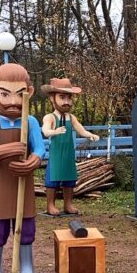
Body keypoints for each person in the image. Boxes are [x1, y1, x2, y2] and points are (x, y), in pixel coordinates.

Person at [0, 63, 45, 273]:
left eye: (20, 94)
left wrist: (33, 161)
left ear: (30, 92)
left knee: (25, 228)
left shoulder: (31, 122)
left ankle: (26, 268)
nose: (14, 102)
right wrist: (8, 150)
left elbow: (40, 149)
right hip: (0, 186)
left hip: (23, 186)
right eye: (6, 94)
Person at [40, 77, 100, 216]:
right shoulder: (50, 117)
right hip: (55, 155)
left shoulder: (71, 117)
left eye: (69, 98)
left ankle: (68, 204)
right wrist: (53, 132)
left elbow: (81, 129)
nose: (66, 102)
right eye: (62, 97)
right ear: (52, 98)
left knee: (69, 179)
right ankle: (50, 205)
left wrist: (89, 135)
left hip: (68, 154)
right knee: (52, 180)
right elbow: (45, 130)